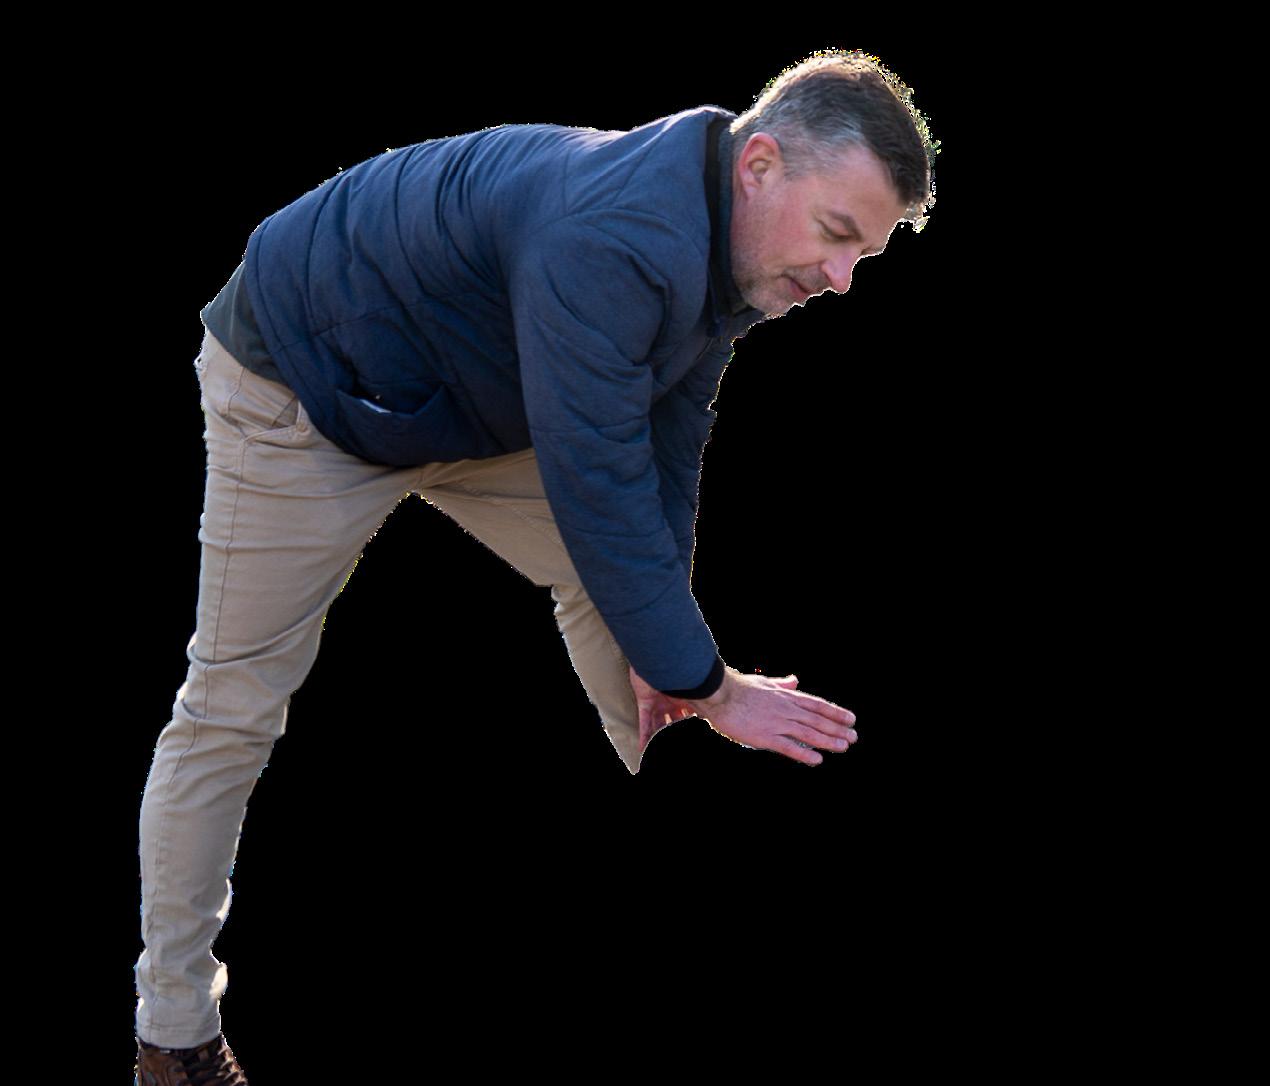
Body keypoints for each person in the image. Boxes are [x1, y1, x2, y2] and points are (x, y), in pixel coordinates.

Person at [133, 47, 937, 1082]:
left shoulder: (733, 245)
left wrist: (670, 653)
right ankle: (173, 1031)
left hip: (473, 388)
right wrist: (708, 681)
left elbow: (666, 447)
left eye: (862, 255)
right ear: (760, 164)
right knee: (232, 704)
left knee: (640, 622)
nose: (839, 278)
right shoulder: (615, 234)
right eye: (835, 235)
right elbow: (600, 484)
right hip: (305, 384)